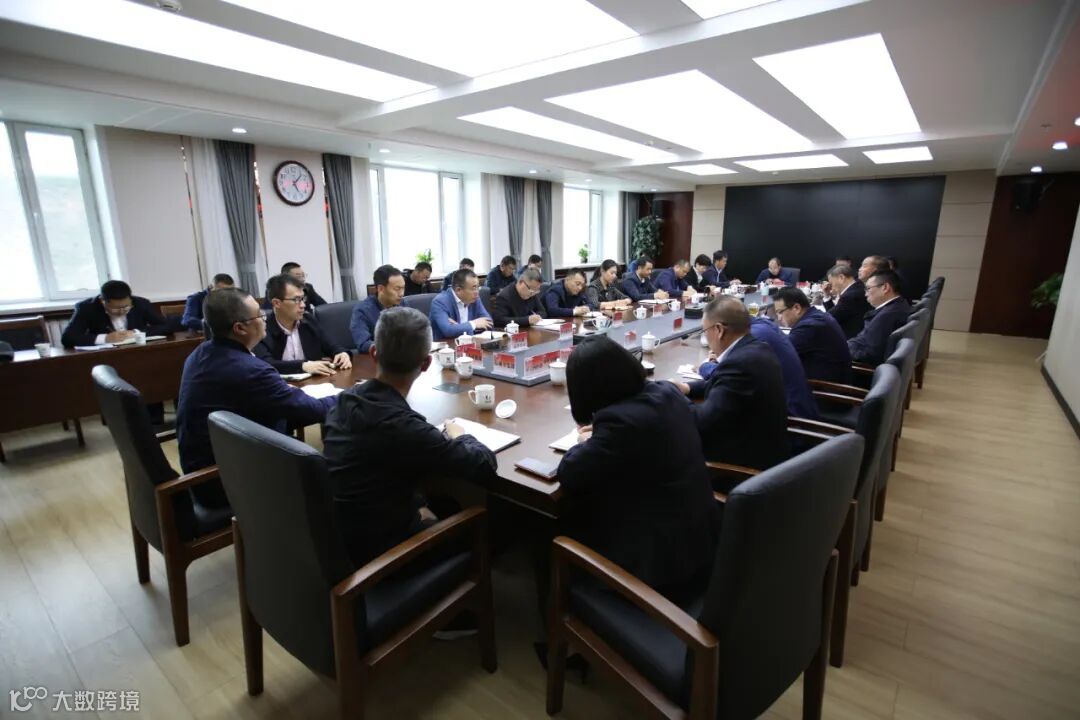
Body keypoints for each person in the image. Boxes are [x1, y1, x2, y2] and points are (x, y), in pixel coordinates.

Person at [324, 306, 497, 567]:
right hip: (385, 559)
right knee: (496, 524)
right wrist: (461, 436)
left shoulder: (342, 402)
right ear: (426, 364)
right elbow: (483, 464)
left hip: (346, 535)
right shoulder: (406, 428)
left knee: (447, 502)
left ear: (373, 353)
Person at [558, 336, 717, 591]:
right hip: (701, 540)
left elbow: (569, 473)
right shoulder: (666, 392)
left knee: (556, 526)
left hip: (659, 568)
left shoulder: (618, 424)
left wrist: (585, 441)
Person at [175, 287, 337, 504]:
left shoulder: (201, 353)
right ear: (240, 328)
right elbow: (312, 410)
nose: (265, 319)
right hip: (227, 480)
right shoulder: (249, 370)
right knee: (337, 473)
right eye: (259, 315)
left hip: (207, 468)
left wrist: (287, 395)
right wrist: (351, 395)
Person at [668, 297, 789, 470]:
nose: (705, 336)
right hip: (763, 448)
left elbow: (701, 423)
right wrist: (686, 388)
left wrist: (671, 395)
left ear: (719, 330)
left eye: (705, 331)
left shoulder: (739, 364)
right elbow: (723, 381)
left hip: (740, 468)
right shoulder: (757, 348)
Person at [699, 316, 819, 420]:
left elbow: (728, 376)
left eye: (705, 332)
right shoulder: (763, 326)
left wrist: (706, 366)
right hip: (795, 407)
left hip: (793, 420)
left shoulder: (756, 335)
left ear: (720, 329)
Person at [254, 274, 352, 375]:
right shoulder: (261, 329)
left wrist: (342, 354)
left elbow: (332, 346)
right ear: (276, 303)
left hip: (316, 382)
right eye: (296, 300)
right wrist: (302, 366)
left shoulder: (308, 320)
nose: (303, 305)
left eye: (303, 299)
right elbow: (265, 364)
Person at [61, 279, 174, 348]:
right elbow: (68, 338)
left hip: (138, 350)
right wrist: (105, 338)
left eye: (126, 307)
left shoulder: (140, 303)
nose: (121, 311)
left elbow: (167, 326)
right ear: (102, 301)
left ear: (130, 299)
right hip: (104, 356)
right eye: (115, 308)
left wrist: (136, 332)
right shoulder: (86, 308)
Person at [774, 287, 853, 385]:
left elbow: (778, 353)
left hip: (824, 389)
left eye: (780, 312)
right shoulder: (816, 316)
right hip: (826, 380)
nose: (779, 318)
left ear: (797, 308)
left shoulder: (809, 326)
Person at [848, 269, 912, 365]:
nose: (865, 294)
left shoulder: (886, 317)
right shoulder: (900, 304)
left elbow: (869, 356)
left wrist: (845, 349)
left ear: (885, 288)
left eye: (868, 288)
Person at [350, 265, 406, 353]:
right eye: (397, 289)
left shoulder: (403, 303)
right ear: (380, 289)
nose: (401, 294)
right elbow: (363, 343)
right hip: (378, 357)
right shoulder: (362, 310)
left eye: (403, 288)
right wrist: (390, 349)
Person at [429, 269, 493, 340]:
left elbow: (489, 323)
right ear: (458, 290)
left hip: (468, 343)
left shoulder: (475, 299)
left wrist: (458, 327)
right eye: (474, 288)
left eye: (478, 287)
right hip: (446, 345)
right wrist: (474, 324)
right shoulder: (440, 302)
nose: (477, 292)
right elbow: (448, 331)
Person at [823, 263, 870, 339]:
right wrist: (827, 295)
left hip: (850, 338)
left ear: (841, 278)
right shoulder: (858, 286)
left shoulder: (849, 296)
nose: (831, 287)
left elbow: (829, 318)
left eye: (831, 283)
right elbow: (836, 314)